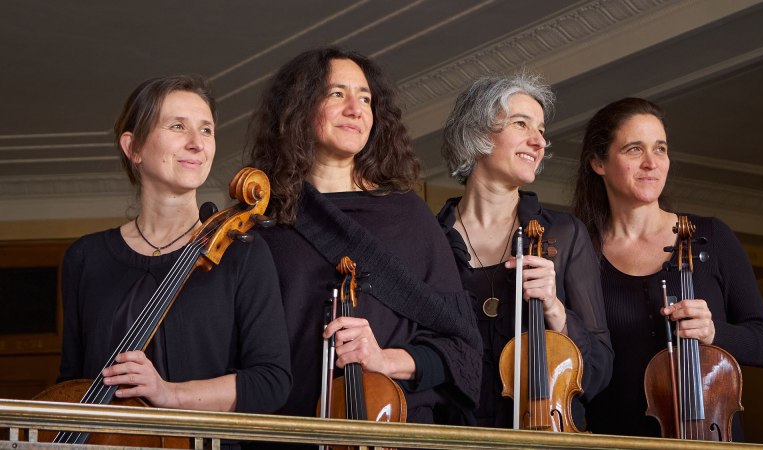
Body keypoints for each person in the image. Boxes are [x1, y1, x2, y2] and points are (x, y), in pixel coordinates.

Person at [247, 47, 482, 430]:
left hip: (394, 428)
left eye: (365, 99)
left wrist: (384, 360)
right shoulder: (264, 221)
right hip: (289, 432)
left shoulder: (409, 216)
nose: (355, 109)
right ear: (299, 108)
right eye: (336, 94)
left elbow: (462, 350)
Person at [58, 75, 292, 434]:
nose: (197, 143)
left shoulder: (242, 253)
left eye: (206, 130)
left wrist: (169, 394)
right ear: (134, 147)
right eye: (178, 126)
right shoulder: (86, 258)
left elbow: (271, 381)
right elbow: (71, 383)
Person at [573, 97, 763, 438]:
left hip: (709, 436)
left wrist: (713, 333)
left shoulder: (711, 237)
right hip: (618, 440)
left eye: (660, 149)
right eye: (634, 149)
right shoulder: (580, 252)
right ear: (598, 162)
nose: (651, 163)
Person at [436, 74, 614, 429]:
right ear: (478, 133)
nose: (539, 141)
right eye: (521, 124)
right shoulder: (431, 241)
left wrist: (554, 308)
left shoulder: (564, 234)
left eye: (541, 130)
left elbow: (600, 369)